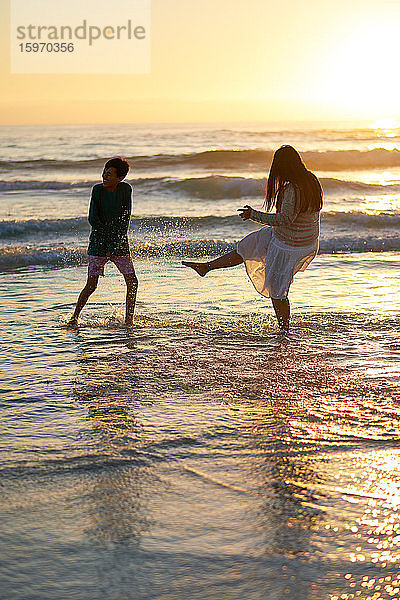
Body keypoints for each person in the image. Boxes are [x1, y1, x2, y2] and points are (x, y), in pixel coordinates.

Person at [182, 145, 323, 333]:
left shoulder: (293, 189)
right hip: (302, 240)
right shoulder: (310, 180)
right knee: (247, 246)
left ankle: (284, 332)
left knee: (278, 291)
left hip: (290, 244)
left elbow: (284, 219)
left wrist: (253, 215)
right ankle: (206, 267)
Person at [69, 157, 138, 327]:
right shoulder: (97, 190)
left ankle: (129, 320)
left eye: (109, 174)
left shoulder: (125, 189)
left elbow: (125, 219)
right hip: (98, 243)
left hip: (120, 243)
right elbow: (93, 219)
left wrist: (115, 244)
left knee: (132, 282)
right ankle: (75, 317)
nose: (104, 177)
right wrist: (107, 245)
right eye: (103, 173)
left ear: (119, 178)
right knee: (92, 285)